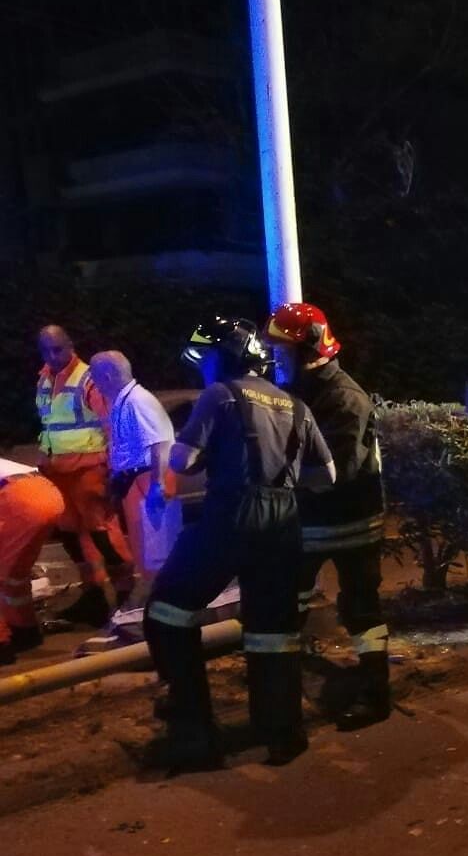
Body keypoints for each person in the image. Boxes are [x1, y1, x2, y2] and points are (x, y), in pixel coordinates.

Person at [144, 318, 334, 771]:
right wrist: (282, 482)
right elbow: (326, 477)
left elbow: (184, 461)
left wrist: (208, 455)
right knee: (272, 634)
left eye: (206, 359)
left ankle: (194, 732)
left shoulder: (220, 395)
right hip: (283, 523)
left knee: (167, 614)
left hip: (231, 517)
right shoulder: (296, 405)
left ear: (227, 357)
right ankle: (283, 736)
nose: (203, 371)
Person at [266, 302, 390, 729]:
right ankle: (282, 691)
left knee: (361, 612)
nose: (275, 357)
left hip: (349, 523)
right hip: (312, 521)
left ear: (308, 349)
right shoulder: (304, 390)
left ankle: (376, 696)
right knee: (288, 604)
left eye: (282, 349)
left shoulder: (343, 398)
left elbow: (338, 471)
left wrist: (276, 478)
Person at [33, 325, 134, 625]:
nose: (53, 356)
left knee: (102, 532)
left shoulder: (88, 379)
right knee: (72, 536)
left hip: (89, 469)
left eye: (58, 349)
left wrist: (115, 467)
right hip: (59, 471)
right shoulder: (45, 379)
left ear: (70, 345)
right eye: (46, 351)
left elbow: (110, 425)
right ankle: (94, 595)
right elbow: (50, 424)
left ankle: (127, 596)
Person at [89, 351, 181, 616]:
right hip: (139, 481)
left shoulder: (138, 401)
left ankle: (163, 608)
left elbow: (161, 443)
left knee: (156, 552)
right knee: (148, 552)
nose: (95, 384)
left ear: (106, 376)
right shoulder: (127, 400)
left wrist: (157, 485)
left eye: (95, 378)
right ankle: (158, 606)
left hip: (146, 480)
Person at [0, 456, 66, 665]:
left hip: (16, 496)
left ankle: (2, 643)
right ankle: (25, 630)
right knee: (14, 573)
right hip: (46, 491)